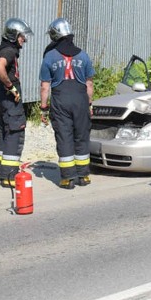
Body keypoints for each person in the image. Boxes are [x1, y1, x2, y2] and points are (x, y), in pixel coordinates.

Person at [40, 18, 95, 189]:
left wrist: (43, 108)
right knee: (82, 136)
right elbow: (90, 84)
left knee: (64, 137)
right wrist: (89, 104)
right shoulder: (83, 55)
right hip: (80, 100)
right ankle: (84, 176)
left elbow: (45, 86)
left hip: (60, 100)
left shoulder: (49, 56)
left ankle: (67, 179)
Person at [0, 17, 32, 186]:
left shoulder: (1, 49)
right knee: (15, 132)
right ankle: (9, 176)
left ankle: (1, 169)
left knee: (5, 132)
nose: (23, 39)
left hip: (3, 99)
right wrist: (10, 86)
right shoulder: (9, 50)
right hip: (11, 101)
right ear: (13, 35)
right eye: (21, 36)